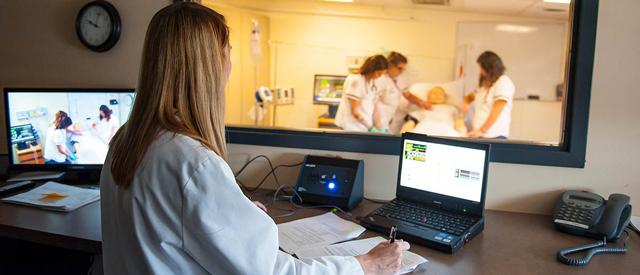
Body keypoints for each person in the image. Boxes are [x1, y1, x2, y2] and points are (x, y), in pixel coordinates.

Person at [100, 3, 408, 275]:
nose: (230, 66)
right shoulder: (194, 164)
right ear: (211, 67)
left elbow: (173, 226)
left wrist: (237, 215)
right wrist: (366, 265)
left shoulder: (125, 140)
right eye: (228, 53)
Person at [461, 51, 515, 139]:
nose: (481, 71)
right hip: (480, 135)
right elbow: (470, 96)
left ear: (489, 67)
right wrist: (465, 102)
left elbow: (497, 109)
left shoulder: (503, 82)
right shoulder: (484, 85)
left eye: (482, 68)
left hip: (495, 136)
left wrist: (481, 130)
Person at [335, 55, 388, 132]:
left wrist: (380, 127)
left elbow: (375, 107)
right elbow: (355, 112)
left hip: (362, 127)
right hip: (349, 127)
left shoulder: (372, 82)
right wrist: (371, 128)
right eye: (379, 73)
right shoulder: (355, 80)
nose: (380, 77)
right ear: (371, 69)